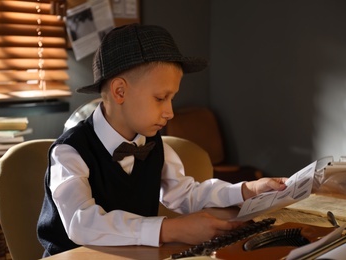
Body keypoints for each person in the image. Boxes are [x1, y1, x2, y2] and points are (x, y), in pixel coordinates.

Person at [37, 23, 287, 257]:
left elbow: (186, 194)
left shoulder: (154, 143)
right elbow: (80, 222)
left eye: (172, 98)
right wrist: (170, 229)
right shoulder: (69, 152)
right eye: (160, 98)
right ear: (120, 91)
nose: (170, 112)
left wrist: (247, 190)